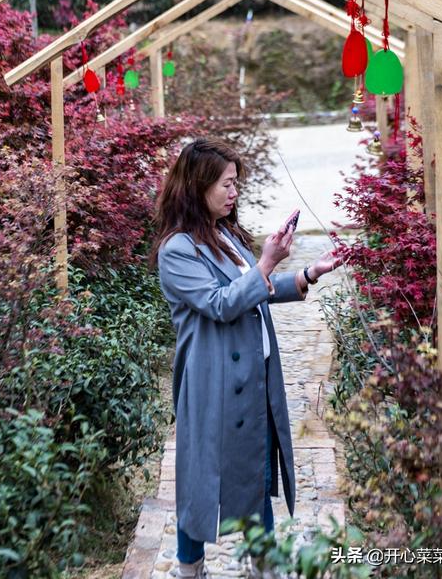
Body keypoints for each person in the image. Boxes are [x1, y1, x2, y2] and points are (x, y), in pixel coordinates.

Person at [151, 137, 343, 579]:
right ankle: (189, 567)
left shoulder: (223, 236)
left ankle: (265, 565)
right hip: (211, 380)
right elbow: (220, 303)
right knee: (202, 481)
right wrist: (265, 264)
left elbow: (252, 296)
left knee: (256, 472)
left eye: (237, 182)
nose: (234, 192)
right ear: (196, 186)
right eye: (226, 183)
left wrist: (308, 273)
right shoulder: (177, 249)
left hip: (252, 375)